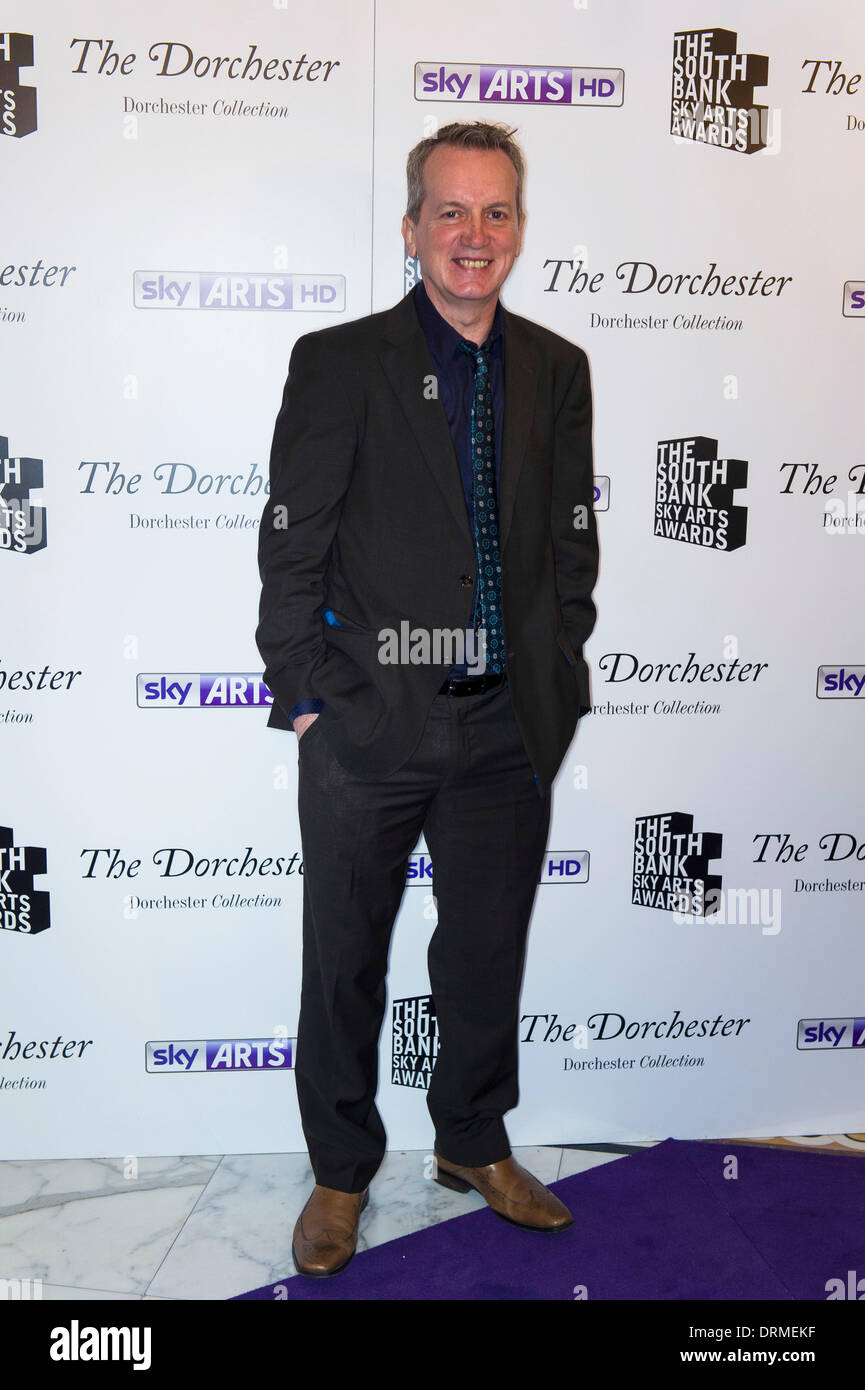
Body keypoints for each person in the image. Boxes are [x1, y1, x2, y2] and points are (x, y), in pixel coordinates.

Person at [256, 120, 599, 1277]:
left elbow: (567, 543)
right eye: (449, 211)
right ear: (411, 228)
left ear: (518, 230)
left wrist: (560, 663)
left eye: (494, 213)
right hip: (368, 724)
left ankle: (472, 1143)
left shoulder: (556, 368)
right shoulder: (338, 360)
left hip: (507, 725)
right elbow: (290, 546)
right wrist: (308, 694)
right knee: (345, 958)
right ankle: (341, 1172)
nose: (473, 235)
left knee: (485, 953)